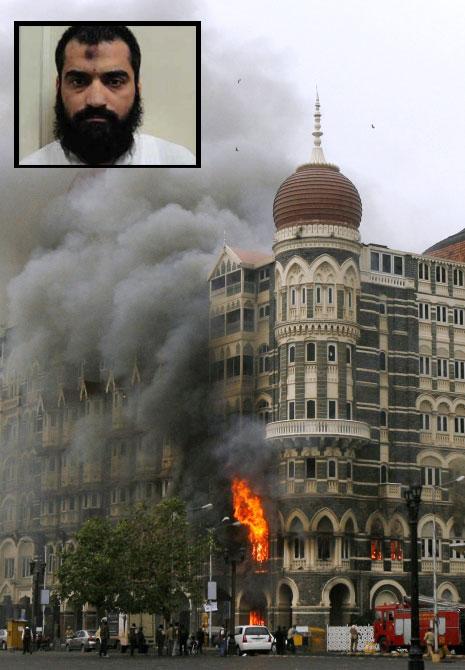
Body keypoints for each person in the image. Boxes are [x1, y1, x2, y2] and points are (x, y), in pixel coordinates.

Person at [20, 25, 196, 166]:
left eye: (114, 82)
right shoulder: (25, 176)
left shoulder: (177, 164)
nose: (96, 101)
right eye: (78, 81)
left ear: (137, 88)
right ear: (59, 87)